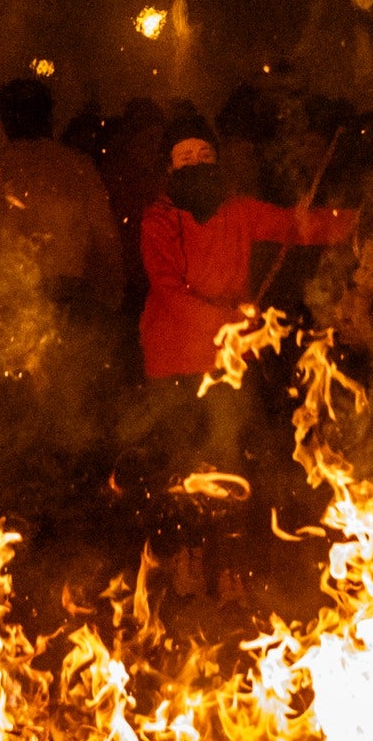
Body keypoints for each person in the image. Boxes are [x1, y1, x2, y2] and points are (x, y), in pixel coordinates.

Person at [129, 114, 355, 473]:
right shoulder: (157, 220)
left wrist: (359, 222)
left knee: (229, 458)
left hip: (229, 360)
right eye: (185, 158)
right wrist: (231, 322)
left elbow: (296, 225)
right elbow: (169, 293)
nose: (197, 164)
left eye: (205, 155)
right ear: (169, 166)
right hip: (172, 361)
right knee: (177, 462)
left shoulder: (238, 210)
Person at [0, 76, 124, 313]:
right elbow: (105, 240)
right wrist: (110, 295)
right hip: (69, 297)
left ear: (4, 120)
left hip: (9, 299)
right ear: (49, 117)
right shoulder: (77, 166)